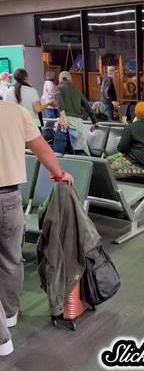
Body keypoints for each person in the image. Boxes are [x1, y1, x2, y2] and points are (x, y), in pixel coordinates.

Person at [0, 101, 74, 356]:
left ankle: (2, 339)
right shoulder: (14, 111)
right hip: (10, 200)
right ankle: (9, 315)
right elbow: (41, 147)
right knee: (11, 260)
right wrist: (59, 173)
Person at [54, 71, 97, 156]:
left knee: (59, 150)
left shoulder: (59, 88)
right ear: (71, 80)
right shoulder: (77, 91)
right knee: (79, 148)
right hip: (77, 123)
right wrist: (94, 121)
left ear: (60, 79)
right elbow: (87, 107)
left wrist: (63, 117)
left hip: (65, 121)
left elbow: (60, 102)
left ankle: (57, 167)